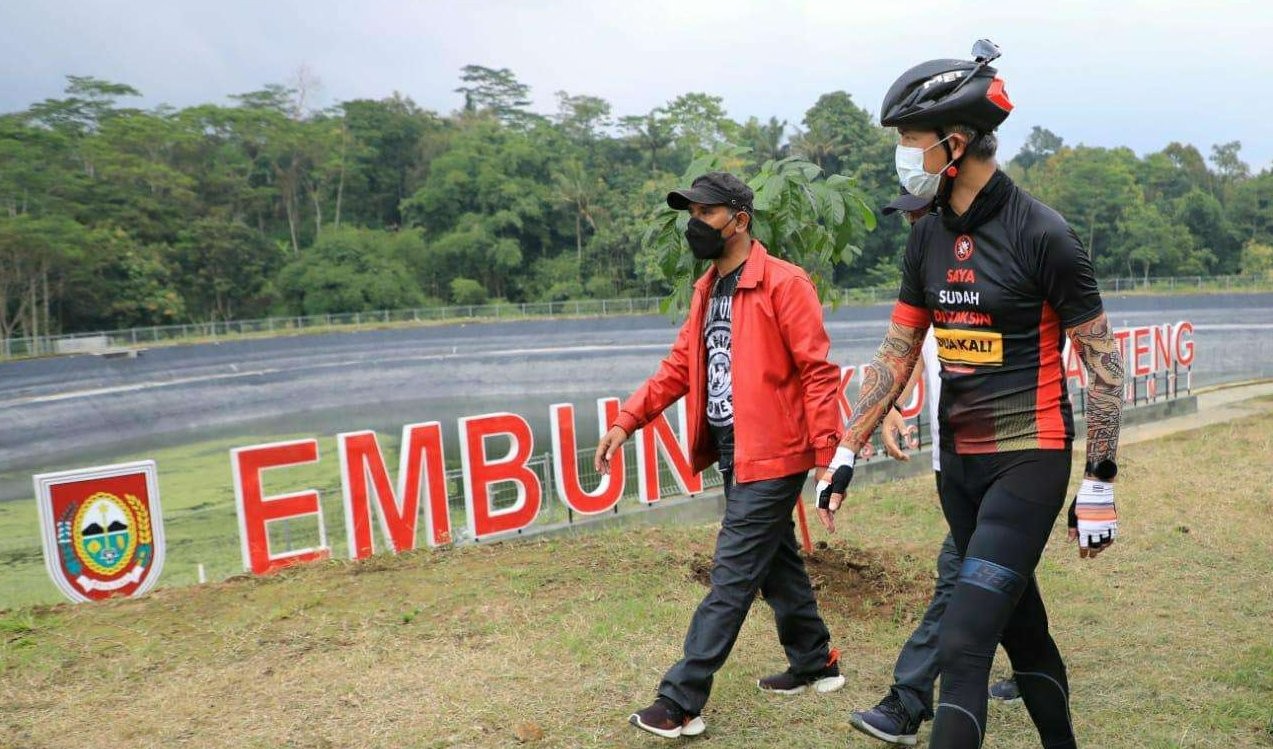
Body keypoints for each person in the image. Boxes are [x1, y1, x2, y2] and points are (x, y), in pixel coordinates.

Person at [816, 40, 1125, 748]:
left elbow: (1102, 365)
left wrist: (1099, 481)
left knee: (961, 647)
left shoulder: (1043, 234)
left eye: (907, 142)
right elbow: (897, 348)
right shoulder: (924, 236)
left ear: (953, 145)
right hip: (957, 468)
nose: (900, 155)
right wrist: (846, 446)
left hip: (1028, 457)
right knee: (1024, 631)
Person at [594, 171, 847, 740]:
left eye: (707, 213)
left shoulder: (785, 283)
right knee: (774, 557)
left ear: (740, 219)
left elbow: (818, 372)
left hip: (777, 451)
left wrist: (830, 453)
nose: (696, 224)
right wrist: (627, 419)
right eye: (692, 213)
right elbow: (680, 366)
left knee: (731, 575)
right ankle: (815, 661)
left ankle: (680, 700)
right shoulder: (708, 288)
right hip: (735, 448)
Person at [849, 192, 1019, 747]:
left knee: (958, 577)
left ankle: (906, 701)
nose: (917, 228)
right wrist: (890, 408)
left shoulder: (992, 274)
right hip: (955, 465)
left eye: (925, 216)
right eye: (910, 220)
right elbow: (902, 353)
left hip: (1006, 460)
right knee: (1000, 576)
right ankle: (1034, 663)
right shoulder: (925, 284)